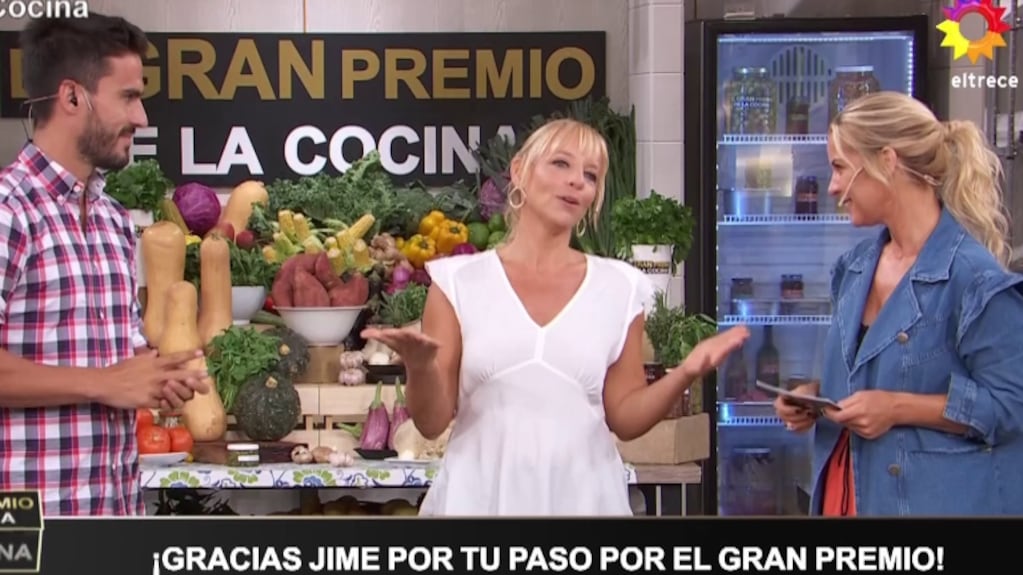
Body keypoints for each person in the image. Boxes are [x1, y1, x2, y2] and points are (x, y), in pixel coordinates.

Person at [363, 118, 749, 515]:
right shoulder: (457, 282)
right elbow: (431, 424)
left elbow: (626, 417)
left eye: (591, 175)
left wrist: (685, 373)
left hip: (584, 504)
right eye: (561, 164)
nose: (577, 181)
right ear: (519, 170)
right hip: (479, 502)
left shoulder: (620, 287)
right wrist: (420, 367)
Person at [774, 91, 1023, 516]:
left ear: (887, 161)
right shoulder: (853, 270)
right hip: (847, 495)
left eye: (840, 167)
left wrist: (897, 408)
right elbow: (872, 374)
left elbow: (1010, 405)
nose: (833, 186)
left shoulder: (973, 280)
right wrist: (818, 398)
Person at [0, 13, 208, 515]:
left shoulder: (114, 220)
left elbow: (121, 359)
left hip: (113, 514)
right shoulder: (9, 212)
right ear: (73, 97)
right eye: (129, 97)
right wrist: (105, 382)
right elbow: (109, 378)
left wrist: (158, 376)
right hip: (30, 525)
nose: (143, 118)